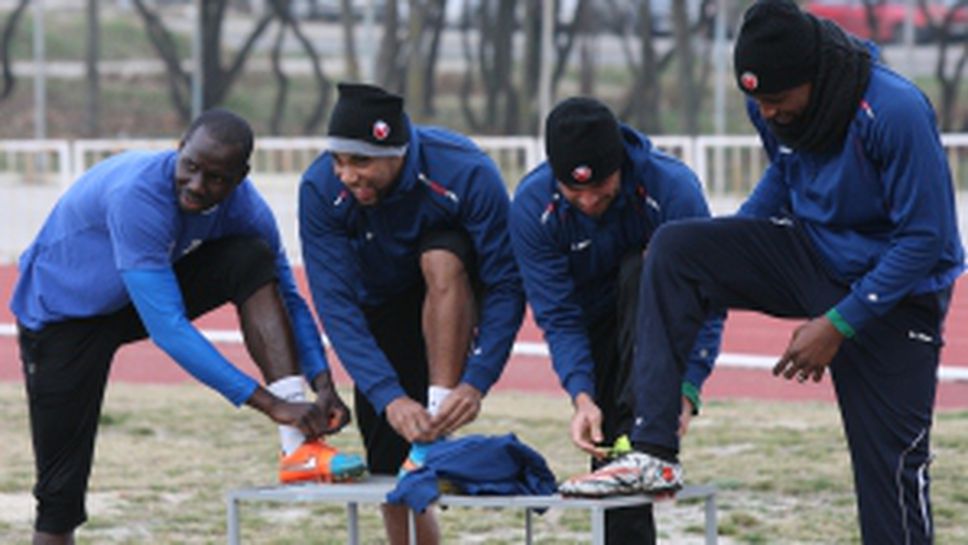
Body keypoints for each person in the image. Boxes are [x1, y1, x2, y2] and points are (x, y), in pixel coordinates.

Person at [559, 2, 965, 544]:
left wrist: (838, 323)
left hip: (897, 289)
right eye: (757, 100)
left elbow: (926, 240)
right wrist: (732, 249)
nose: (767, 113)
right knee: (677, 249)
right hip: (814, 255)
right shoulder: (770, 107)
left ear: (813, 78)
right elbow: (786, 173)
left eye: (776, 100)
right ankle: (654, 449)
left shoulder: (893, 110)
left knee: (890, 471)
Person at [11, 109, 364, 545]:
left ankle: (297, 448)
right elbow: (169, 329)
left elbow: (287, 295)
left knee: (252, 259)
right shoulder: (138, 196)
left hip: (125, 300)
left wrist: (322, 382)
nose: (197, 186)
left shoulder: (246, 207)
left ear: (240, 177)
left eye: (216, 178)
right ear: (179, 149)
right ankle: (287, 419)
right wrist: (268, 403)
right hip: (63, 318)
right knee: (59, 500)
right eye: (191, 167)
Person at [298, 83, 525, 545]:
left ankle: (440, 410)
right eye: (339, 160)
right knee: (390, 466)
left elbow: (506, 281)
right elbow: (336, 305)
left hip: (452, 292)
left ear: (396, 152)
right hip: (380, 302)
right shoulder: (320, 188)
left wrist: (476, 380)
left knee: (441, 255)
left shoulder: (465, 171)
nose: (346, 174)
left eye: (360, 162)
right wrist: (389, 396)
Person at [510, 97, 724, 543]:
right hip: (591, 325)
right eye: (574, 191)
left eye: (601, 186)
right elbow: (558, 315)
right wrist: (582, 396)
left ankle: (643, 439)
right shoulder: (533, 206)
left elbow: (708, 297)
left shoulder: (672, 189)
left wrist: (686, 390)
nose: (588, 201)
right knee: (613, 459)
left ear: (622, 166)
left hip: (658, 314)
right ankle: (631, 451)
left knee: (643, 267)